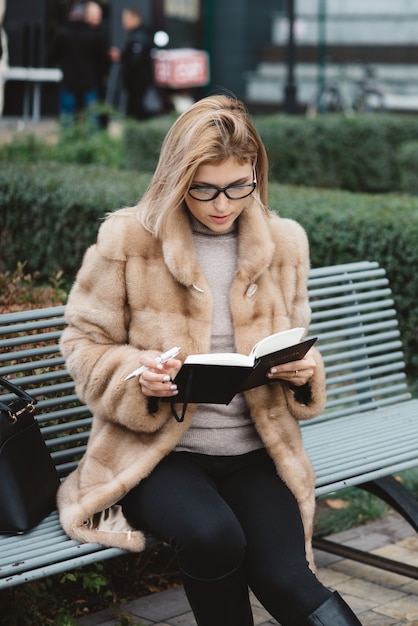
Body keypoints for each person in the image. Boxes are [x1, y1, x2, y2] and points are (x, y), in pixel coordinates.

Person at [57, 95, 362, 626]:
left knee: (286, 575)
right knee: (213, 536)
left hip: (254, 450)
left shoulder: (284, 244)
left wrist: (303, 373)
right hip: (158, 453)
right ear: (178, 178)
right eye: (204, 189)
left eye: (238, 187)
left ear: (255, 174)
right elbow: (82, 344)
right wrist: (137, 376)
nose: (223, 204)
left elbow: (296, 340)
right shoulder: (129, 240)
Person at [49, 3, 109, 124]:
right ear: (84, 16)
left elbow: (53, 55)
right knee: (92, 119)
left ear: (71, 15)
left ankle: (68, 142)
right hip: (89, 82)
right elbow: (102, 59)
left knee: (67, 119)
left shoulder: (63, 33)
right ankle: (94, 143)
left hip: (69, 81)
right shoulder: (92, 34)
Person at [110, 6, 155, 120]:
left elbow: (135, 60)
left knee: (136, 112)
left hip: (138, 83)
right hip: (137, 83)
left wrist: (124, 59)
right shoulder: (139, 35)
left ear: (135, 19)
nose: (123, 23)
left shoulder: (140, 37)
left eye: (126, 19)